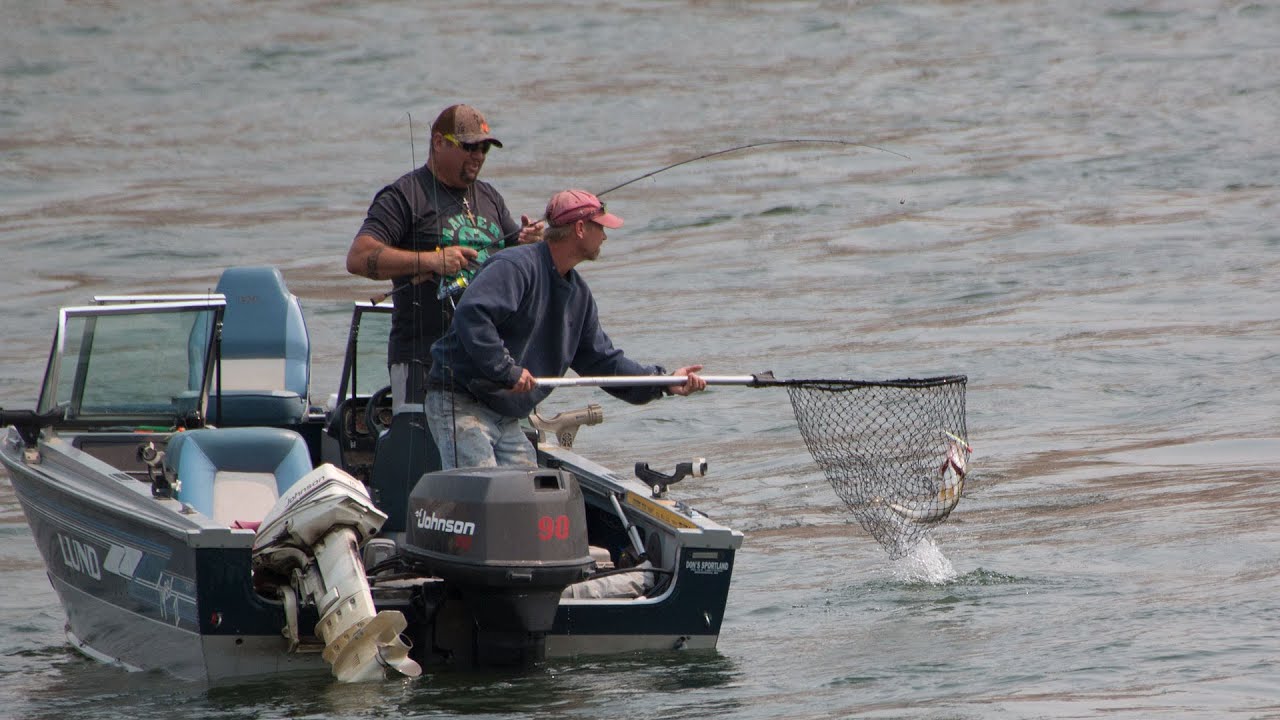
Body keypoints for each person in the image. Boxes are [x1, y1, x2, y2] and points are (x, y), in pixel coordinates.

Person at [425, 189, 706, 469]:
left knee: (524, 499)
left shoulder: (578, 296)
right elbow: (473, 315)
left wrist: (664, 382)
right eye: (601, 227)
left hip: (505, 416)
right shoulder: (514, 266)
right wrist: (506, 369)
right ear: (581, 228)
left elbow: (604, 362)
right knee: (482, 493)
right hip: (461, 402)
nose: (605, 236)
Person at [345, 104, 543, 412]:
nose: (478, 155)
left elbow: (510, 259)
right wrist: (433, 261)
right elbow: (359, 257)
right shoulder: (405, 195)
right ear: (439, 142)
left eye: (484, 149)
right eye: (469, 146)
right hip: (421, 360)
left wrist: (528, 243)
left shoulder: (489, 196)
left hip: (485, 358)